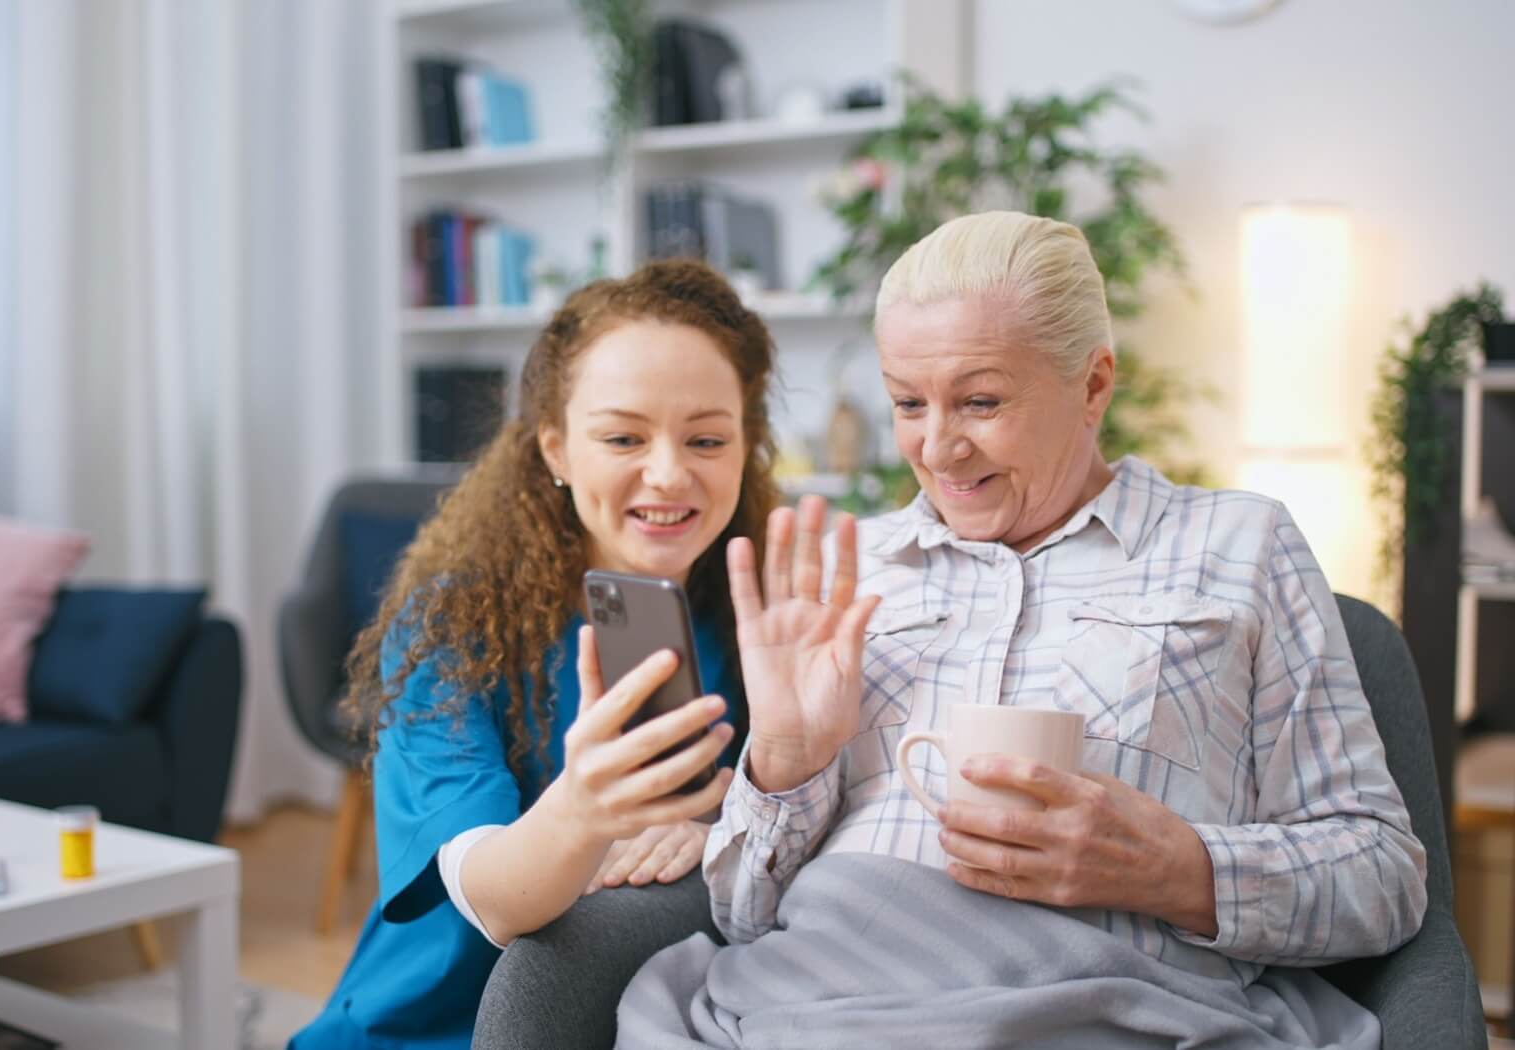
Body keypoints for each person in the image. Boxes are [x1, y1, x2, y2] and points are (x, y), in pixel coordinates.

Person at [615, 212, 1429, 1049]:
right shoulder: (847, 567)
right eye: (906, 403)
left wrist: (1182, 870)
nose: (938, 449)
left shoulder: (1238, 546)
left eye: (980, 401)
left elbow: (1382, 875)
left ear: (1093, 385)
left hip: (1097, 1011)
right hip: (809, 1007)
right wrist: (787, 762)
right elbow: (742, 917)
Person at [290, 259, 781, 1049]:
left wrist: (721, 814)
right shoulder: (451, 630)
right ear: (555, 448)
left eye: (707, 438)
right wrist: (584, 810)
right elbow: (493, 898)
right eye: (623, 436)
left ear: (746, 445)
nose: (668, 472)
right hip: (425, 1031)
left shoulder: (758, 615)